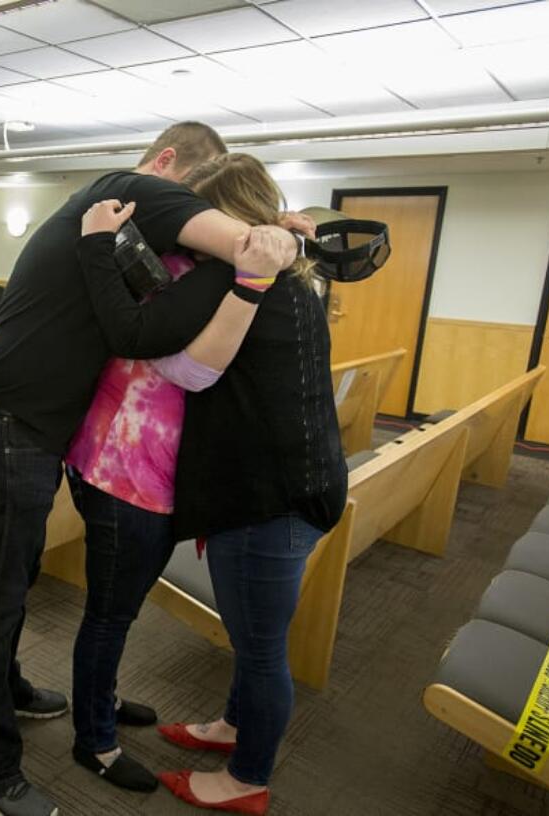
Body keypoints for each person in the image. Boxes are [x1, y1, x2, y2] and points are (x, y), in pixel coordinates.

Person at [0, 122, 303, 816]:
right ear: (168, 165)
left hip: (26, 430)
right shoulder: (131, 189)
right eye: (193, 206)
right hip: (7, 429)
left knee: (15, 581)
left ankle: (14, 690)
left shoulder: (116, 221)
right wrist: (280, 234)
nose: (182, 231)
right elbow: (247, 248)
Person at [63, 152, 313, 795]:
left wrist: (277, 240)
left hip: (163, 478)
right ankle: (95, 739)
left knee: (122, 611)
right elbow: (181, 367)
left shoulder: (233, 273)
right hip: (123, 472)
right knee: (110, 615)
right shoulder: (186, 271)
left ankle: (103, 702)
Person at [138, 153, 347, 814]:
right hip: (294, 486)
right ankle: (235, 727)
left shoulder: (258, 288)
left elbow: (187, 372)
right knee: (251, 633)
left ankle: (246, 778)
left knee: (260, 650)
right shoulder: (298, 279)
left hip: (270, 499)